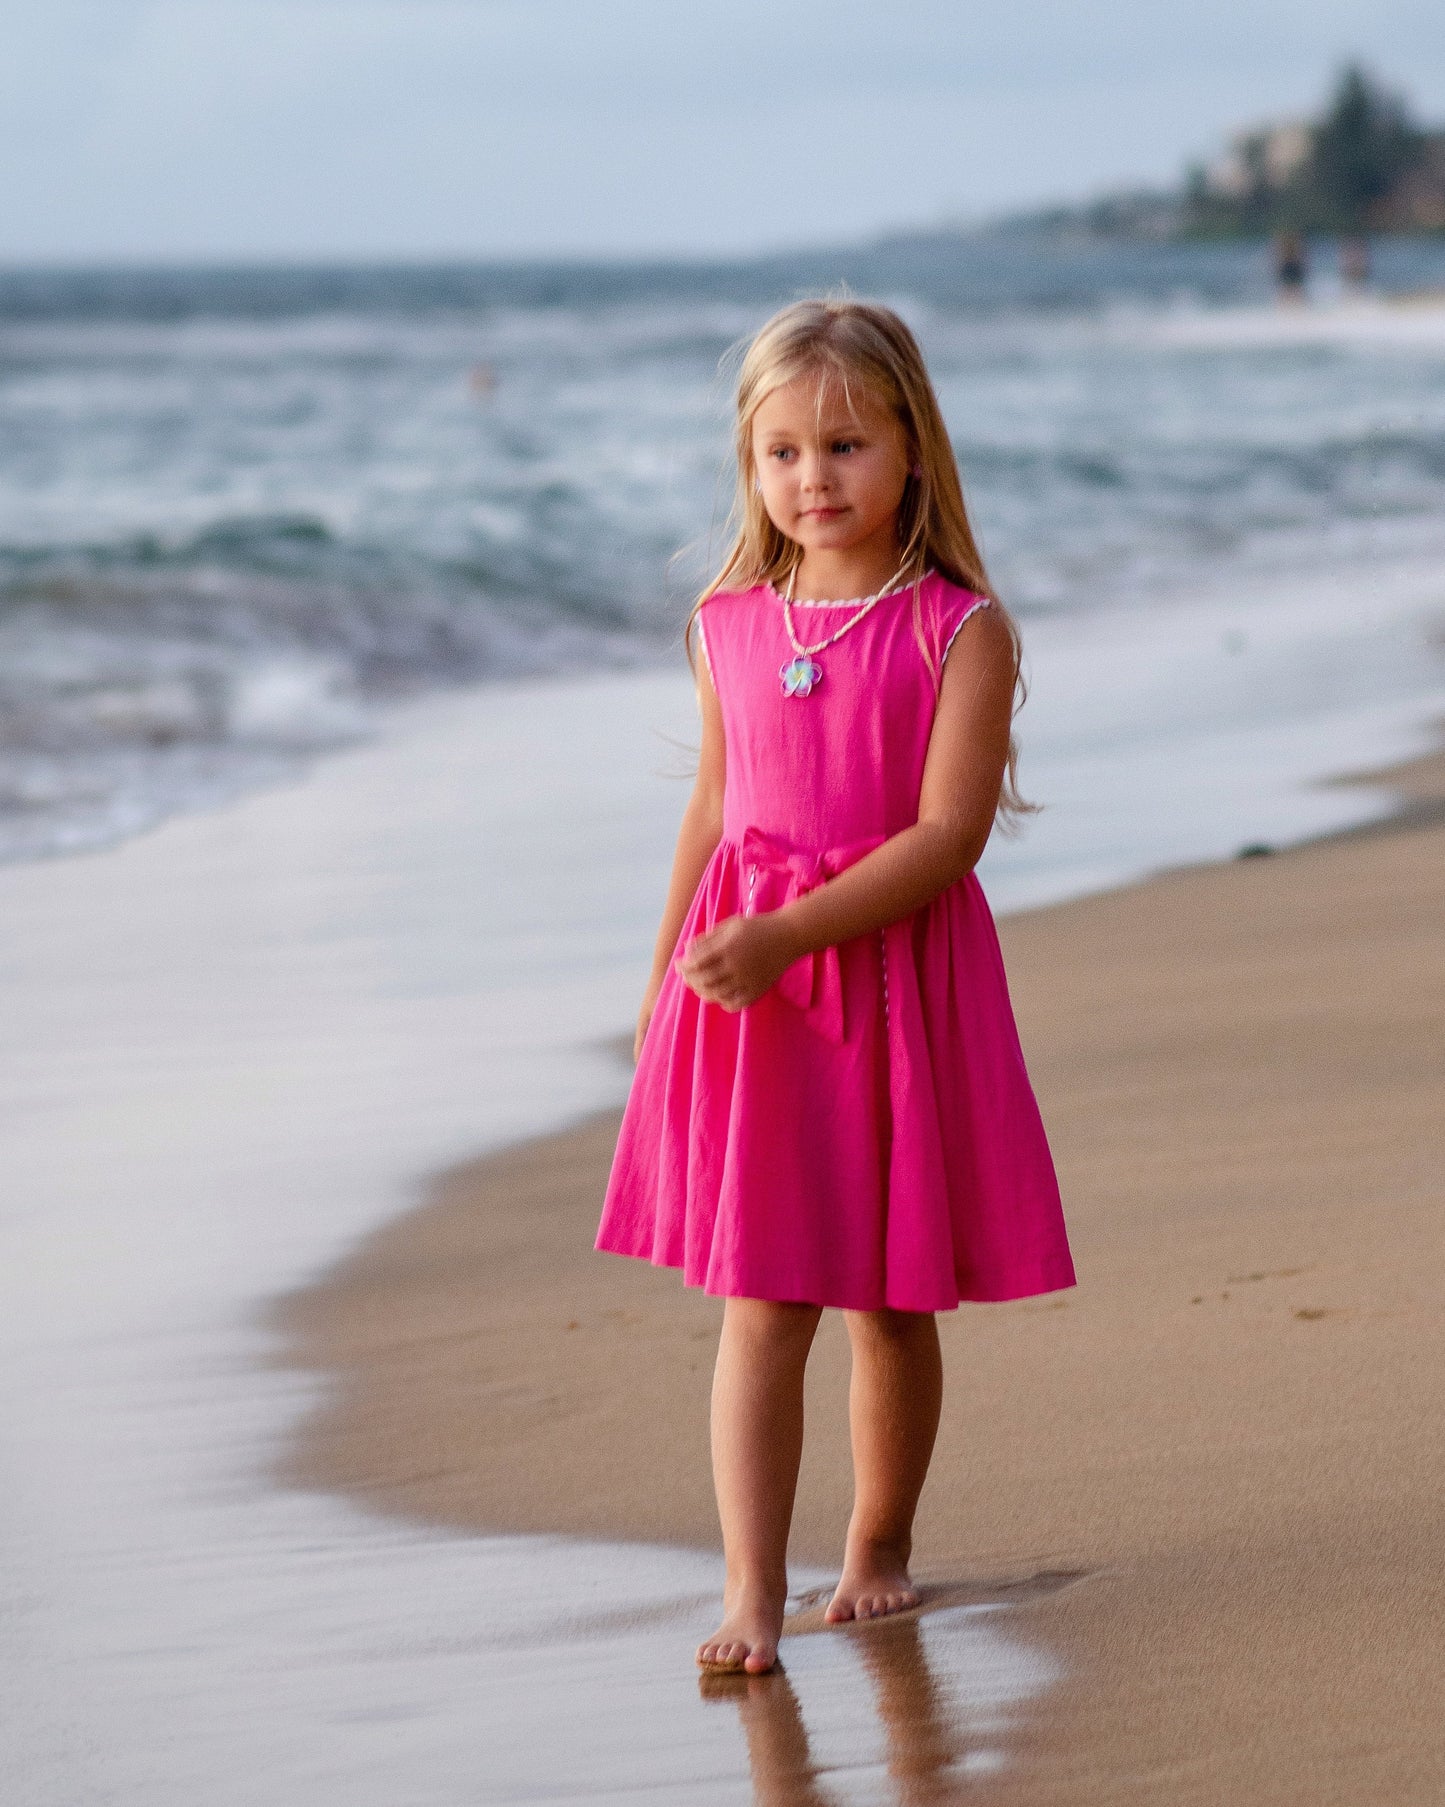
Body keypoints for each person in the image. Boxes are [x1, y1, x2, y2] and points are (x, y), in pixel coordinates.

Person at [595, 298, 1075, 1675]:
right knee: (763, 1298)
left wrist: (794, 935)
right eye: (783, 453)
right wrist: (664, 978)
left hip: (884, 986)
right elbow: (708, 810)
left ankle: (876, 1546)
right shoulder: (725, 622)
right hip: (754, 997)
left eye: (847, 446)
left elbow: (945, 840)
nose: (814, 479)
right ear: (748, 467)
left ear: (911, 451)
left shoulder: (955, 630)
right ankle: (751, 1591)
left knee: (884, 1300)